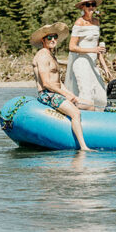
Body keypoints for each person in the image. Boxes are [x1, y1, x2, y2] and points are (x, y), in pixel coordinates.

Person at [31, 22, 92, 151]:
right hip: (47, 94)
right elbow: (47, 83)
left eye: (55, 37)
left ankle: (90, 136)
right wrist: (65, 95)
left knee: (89, 105)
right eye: (49, 38)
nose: (53, 40)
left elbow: (59, 82)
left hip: (57, 93)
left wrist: (71, 95)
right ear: (43, 40)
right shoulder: (42, 56)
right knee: (75, 113)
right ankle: (83, 147)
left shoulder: (51, 55)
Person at [64, 0, 111, 110]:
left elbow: (98, 49)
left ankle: (98, 121)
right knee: (86, 96)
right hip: (81, 63)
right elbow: (72, 47)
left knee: (101, 98)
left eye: (93, 4)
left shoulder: (96, 22)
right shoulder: (79, 22)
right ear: (83, 7)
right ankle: (75, 112)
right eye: (88, 4)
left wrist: (105, 67)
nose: (91, 7)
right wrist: (92, 49)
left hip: (93, 64)